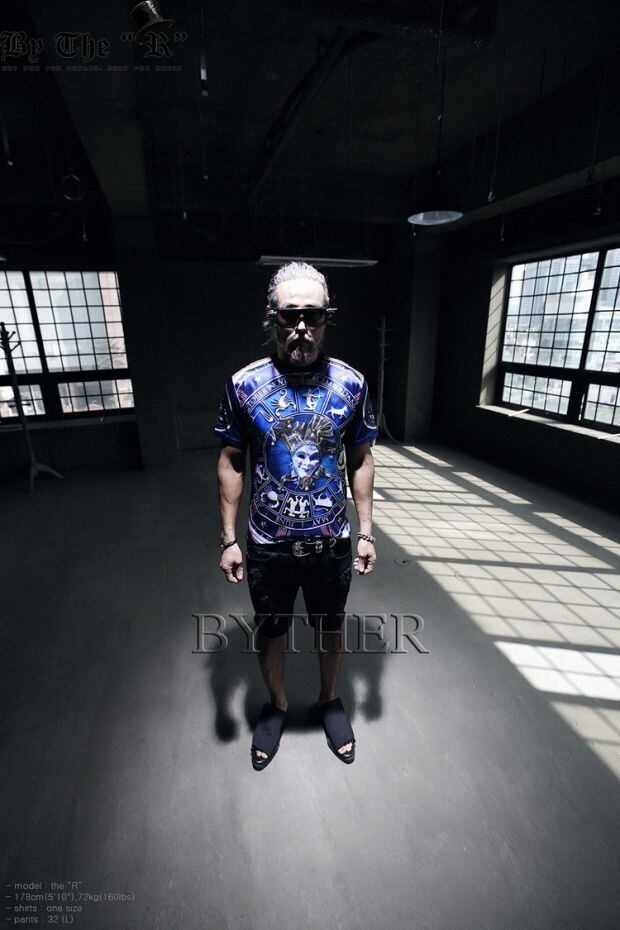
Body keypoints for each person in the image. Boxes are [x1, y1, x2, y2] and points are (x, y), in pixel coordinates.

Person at [214, 260, 378, 770]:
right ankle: (278, 705)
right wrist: (228, 540)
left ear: (327, 317)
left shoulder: (351, 384)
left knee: (331, 626)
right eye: (290, 316)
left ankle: (329, 699)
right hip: (269, 543)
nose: (301, 326)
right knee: (272, 630)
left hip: (331, 540)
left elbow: (361, 458)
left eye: (313, 315)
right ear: (273, 318)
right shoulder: (244, 385)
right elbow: (232, 460)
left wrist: (367, 532)